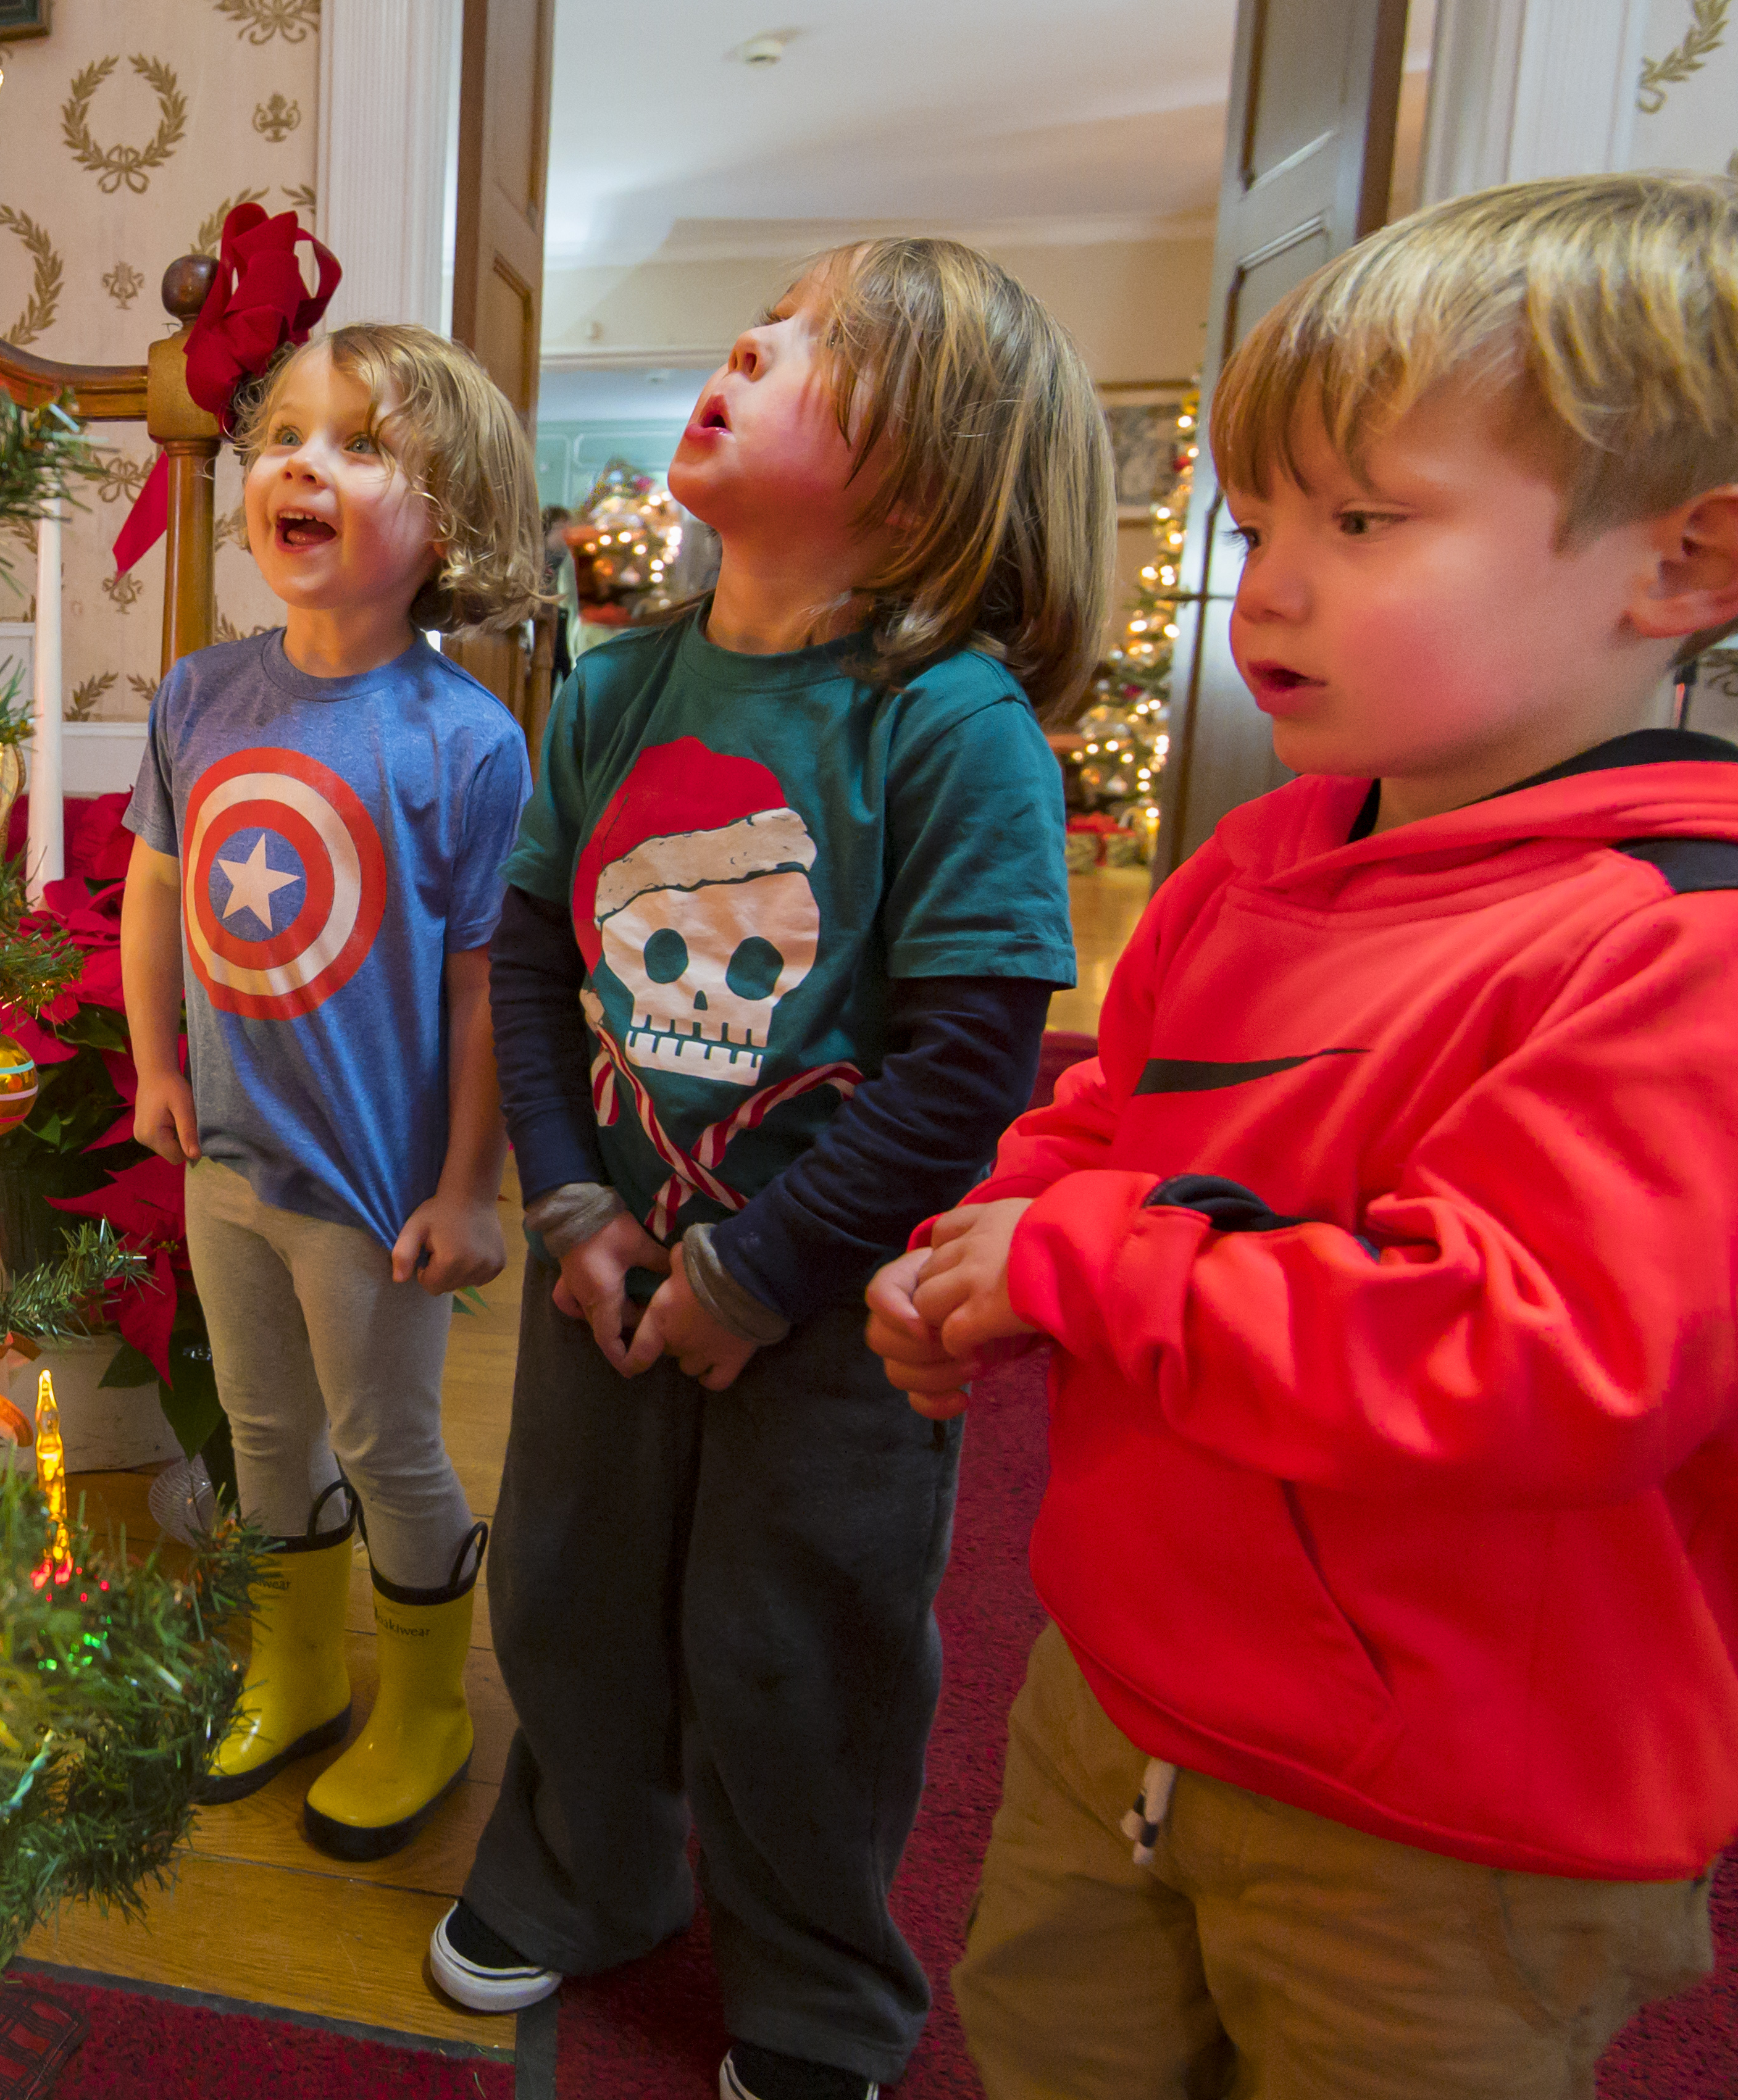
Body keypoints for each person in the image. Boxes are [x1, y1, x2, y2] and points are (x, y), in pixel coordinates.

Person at [869, 172, 1738, 2097]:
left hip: (1448, 1821)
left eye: (1365, 521)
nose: (1265, 584)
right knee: (1045, 2042)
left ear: (1681, 566)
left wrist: (1081, 1260)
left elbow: (1538, 1358)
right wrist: (990, 1242)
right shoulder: (1262, 861)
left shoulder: (1725, 961)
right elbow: (1111, 1114)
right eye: (1261, 523)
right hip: (1127, 1696)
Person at [430, 238, 1113, 2100]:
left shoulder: (954, 725)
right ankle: (585, 1869)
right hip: (607, 1265)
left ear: (933, 464)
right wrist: (572, 1203)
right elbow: (530, 961)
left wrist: (762, 1272)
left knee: (798, 1638)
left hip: (831, 1313)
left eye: (818, 345)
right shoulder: (607, 691)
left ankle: (815, 1986)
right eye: (768, 322)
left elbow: (970, 1053)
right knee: (569, 1586)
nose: (751, 341)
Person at [124, 322, 543, 1861]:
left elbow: (482, 982)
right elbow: (155, 895)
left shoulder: (467, 742)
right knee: (259, 1433)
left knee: (387, 1447)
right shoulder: (198, 700)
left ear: (452, 525)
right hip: (224, 1159)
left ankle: (424, 1700)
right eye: (287, 434)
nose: (305, 461)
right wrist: (157, 1064)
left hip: (374, 1189)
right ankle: (295, 1666)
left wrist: (464, 1186)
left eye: (364, 446)